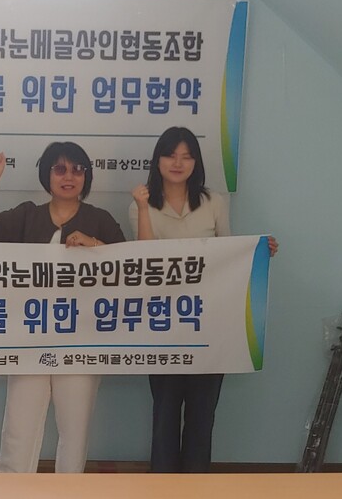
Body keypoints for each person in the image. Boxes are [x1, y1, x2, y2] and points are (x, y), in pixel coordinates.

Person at [0, 142, 125, 474]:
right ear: (47, 175)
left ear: (87, 176)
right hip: (29, 339)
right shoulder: (29, 215)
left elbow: (128, 267)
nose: (69, 177)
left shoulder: (100, 219)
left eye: (77, 170)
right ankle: (11, 493)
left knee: (75, 431)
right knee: (19, 428)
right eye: (60, 169)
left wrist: (94, 245)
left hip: (81, 340)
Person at [129, 126, 277, 474]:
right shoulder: (141, 203)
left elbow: (228, 255)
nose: (178, 163)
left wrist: (258, 252)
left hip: (210, 325)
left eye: (186, 156)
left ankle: (196, 486)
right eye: (170, 155)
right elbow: (145, 259)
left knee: (202, 415)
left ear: (196, 162)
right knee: (165, 414)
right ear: (158, 160)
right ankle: (162, 487)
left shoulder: (214, 202)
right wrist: (143, 207)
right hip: (163, 324)